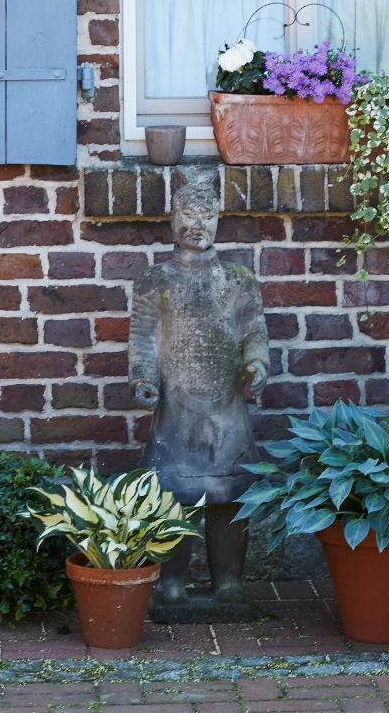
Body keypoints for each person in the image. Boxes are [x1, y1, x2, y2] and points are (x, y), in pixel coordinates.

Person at [129, 171, 269, 605]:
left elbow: (254, 330)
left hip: (225, 408)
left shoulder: (239, 281)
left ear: (218, 221)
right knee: (173, 493)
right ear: (173, 219)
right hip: (176, 408)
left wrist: (257, 363)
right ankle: (172, 580)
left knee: (227, 495)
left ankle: (229, 579)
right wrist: (144, 378)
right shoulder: (155, 281)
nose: (198, 224)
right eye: (189, 214)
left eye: (207, 216)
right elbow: (143, 337)